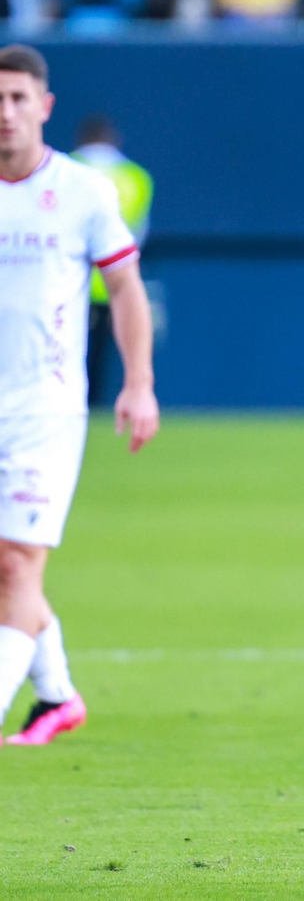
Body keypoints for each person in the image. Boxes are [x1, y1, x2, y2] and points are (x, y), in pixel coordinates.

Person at [0, 44, 161, 745]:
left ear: (44, 106)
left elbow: (124, 288)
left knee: (16, 564)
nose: (6, 112)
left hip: (46, 406)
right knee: (6, 571)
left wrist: (139, 382)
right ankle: (57, 696)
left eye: (17, 98)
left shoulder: (82, 191)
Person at [72, 114, 155, 406]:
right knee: (102, 354)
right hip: (115, 280)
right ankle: (95, 403)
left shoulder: (65, 171)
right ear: (112, 139)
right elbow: (137, 235)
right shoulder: (136, 177)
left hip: (72, 282)